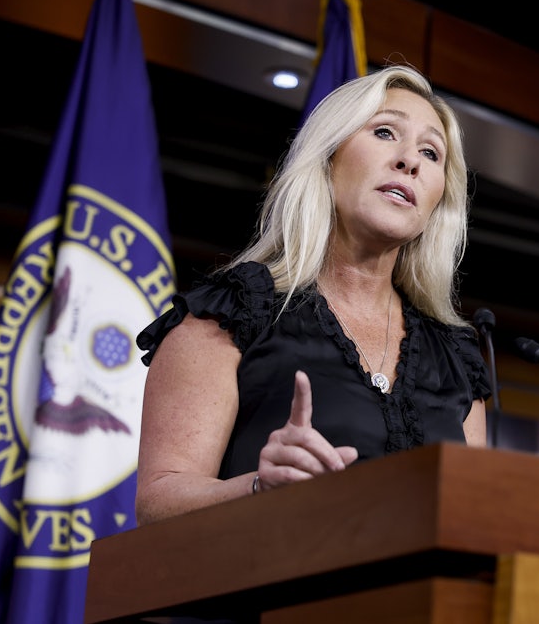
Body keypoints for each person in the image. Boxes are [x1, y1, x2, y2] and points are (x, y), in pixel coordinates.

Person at [134, 64, 490, 525]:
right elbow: (158, 501)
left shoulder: (457, 359)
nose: (410, 161)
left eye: (431, 152)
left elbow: (476, 517)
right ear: (328, 157)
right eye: (385, 132)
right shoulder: (237, 310)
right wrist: (262, 487)